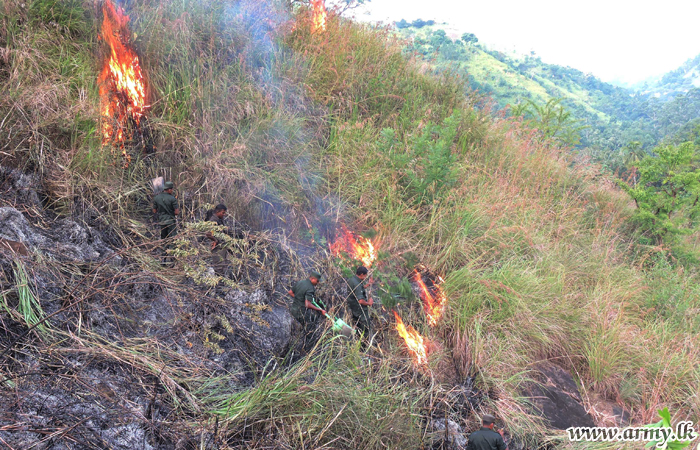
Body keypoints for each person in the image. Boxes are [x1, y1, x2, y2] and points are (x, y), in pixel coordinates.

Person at [346, 266, 373, 338]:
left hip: (353, 308)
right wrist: (369, 303)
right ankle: (364, 342)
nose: (365, 277)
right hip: (360, 310)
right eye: (365, 275)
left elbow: (359, 288)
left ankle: (357, 339)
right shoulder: (357, 285)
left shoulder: (353, 279)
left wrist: (368, 284)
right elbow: (360, 301)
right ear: (361, 274)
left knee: (357, 326)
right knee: (365, 328)